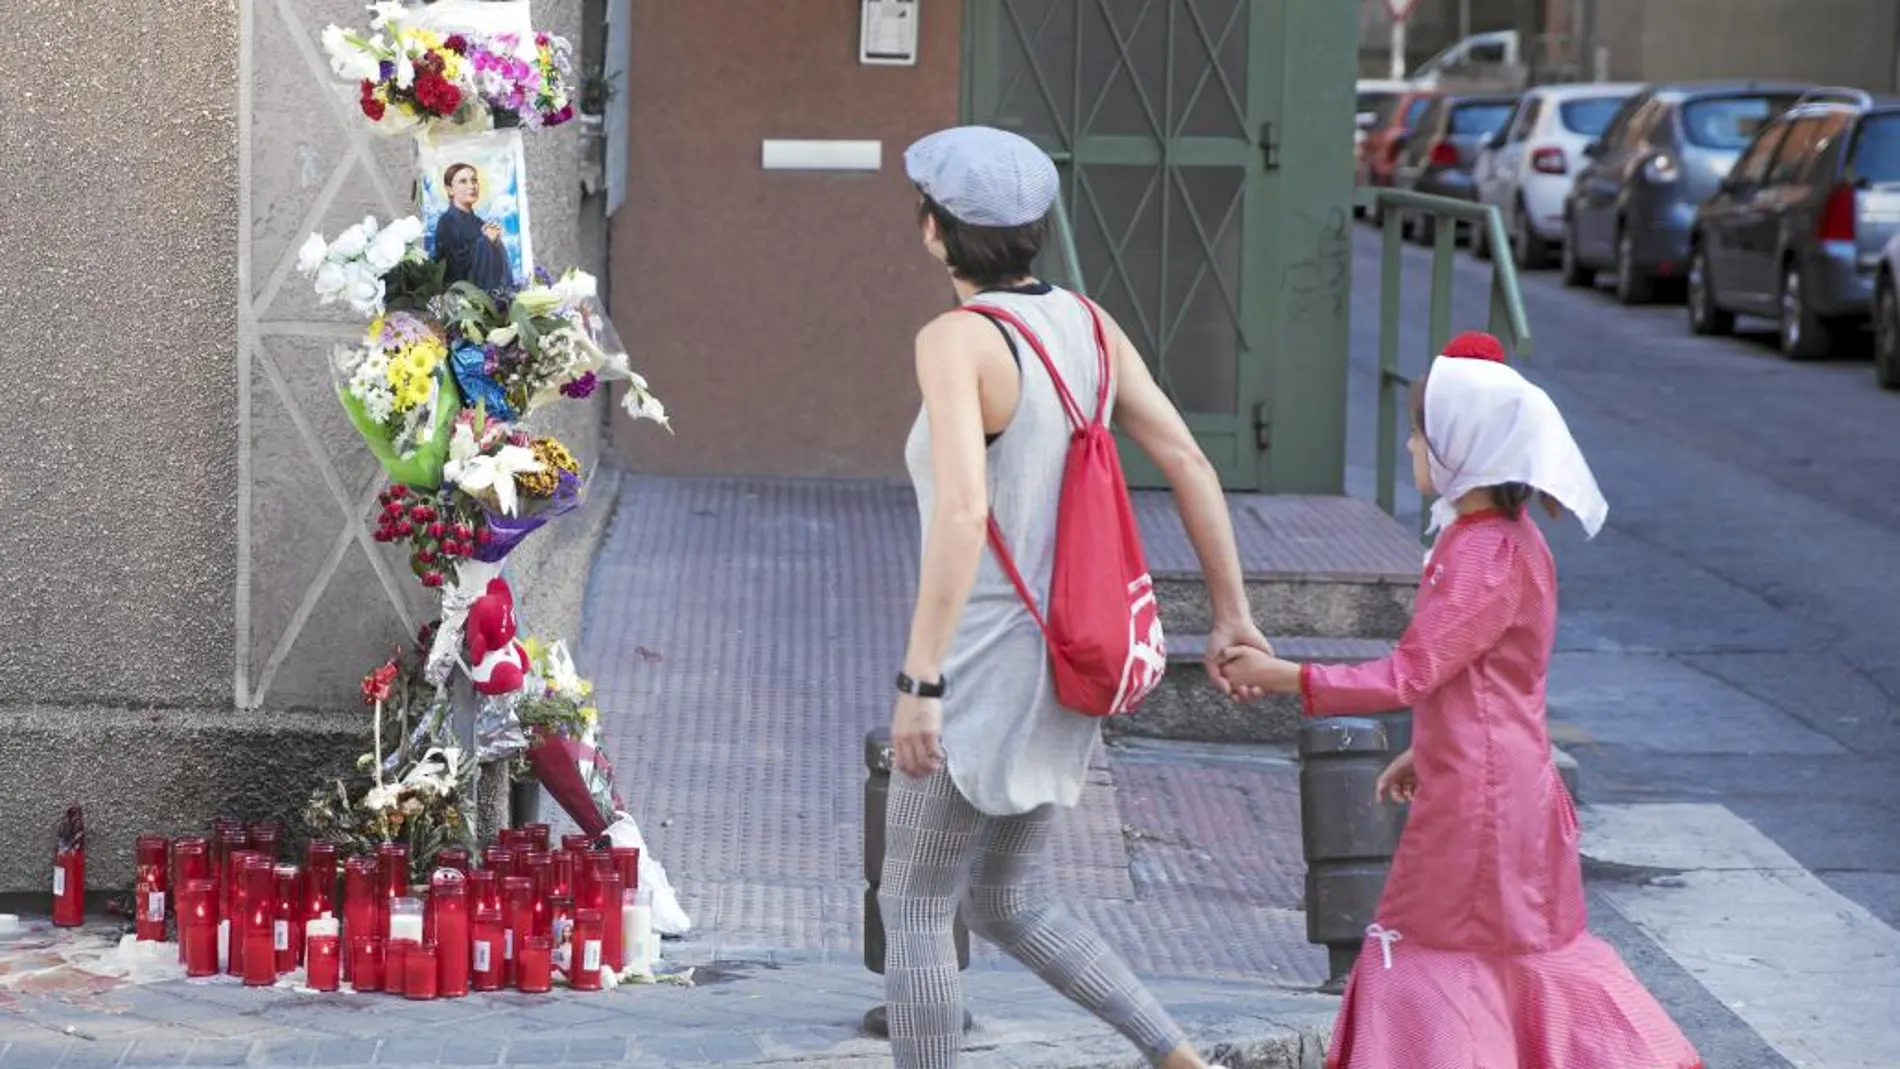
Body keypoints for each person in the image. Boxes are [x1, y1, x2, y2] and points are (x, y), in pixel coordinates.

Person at [880, 124, 1271, 1069]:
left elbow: (964, 514)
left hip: (983, 659)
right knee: (1010, 900)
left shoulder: (957, 338)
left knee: (917, 903)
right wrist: (1232, 612)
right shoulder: (1090, 324)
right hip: (1075, 652)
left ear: (935, 231)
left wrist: (918, 680)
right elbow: (1185, 456)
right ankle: (1177, 1056)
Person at [1215, 333, 1702, 1069]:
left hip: (1484, 806)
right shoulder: (1505, 538)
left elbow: (1407, 673)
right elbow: (1481, 678)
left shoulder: (1482, 553)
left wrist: (1283, 673)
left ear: (1461, 444)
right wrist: (1432, 743)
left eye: (1420, 431)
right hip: (1495, 785)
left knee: (1444, 962)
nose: (1412, 445)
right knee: (1499, 959)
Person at [434, 162, 513, 292]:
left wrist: (496, 245)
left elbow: (497, 267)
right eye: (463, 181)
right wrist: (485, 242)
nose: (471, 186)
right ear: (450, 189)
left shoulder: (481, 224)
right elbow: (453, 265)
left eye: (474, 180)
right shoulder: (446, 222)